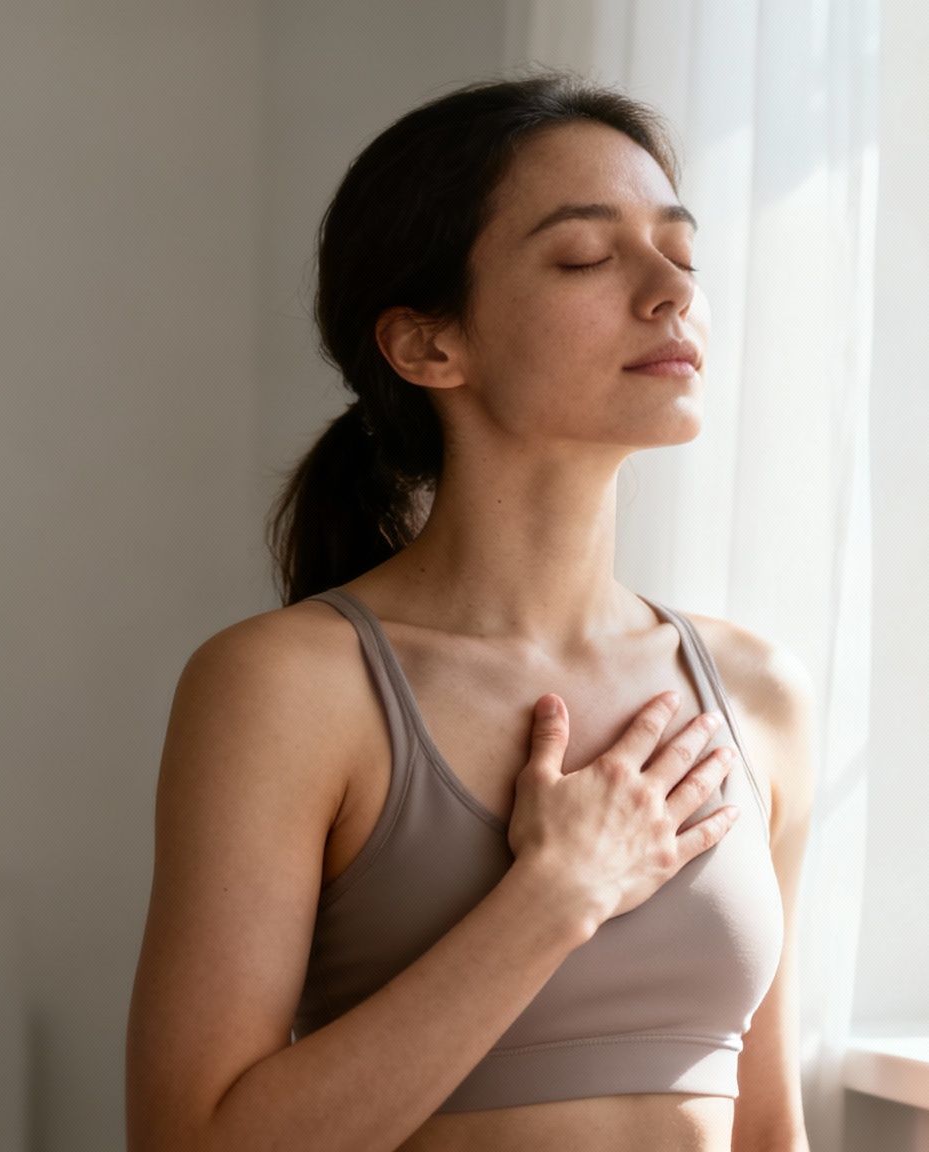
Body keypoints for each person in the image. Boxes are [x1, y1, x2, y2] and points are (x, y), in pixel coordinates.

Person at [124, 70, 816, 1152]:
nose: (668, 289)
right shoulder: (288, 688)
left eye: (679, 251)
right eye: (587, 255)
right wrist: (553, 898)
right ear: (427, 346)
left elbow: (770, 1127)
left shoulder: (757, 692)